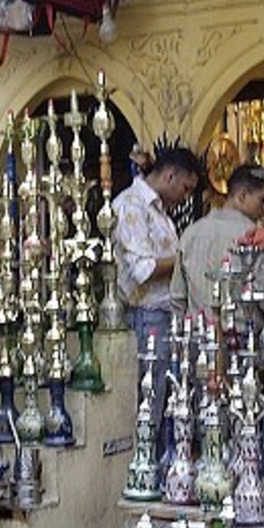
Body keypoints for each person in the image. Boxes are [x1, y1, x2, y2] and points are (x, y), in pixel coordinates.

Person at [111, 143, 202, 433]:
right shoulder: (131, 206)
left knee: (165, 403)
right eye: (186, 189)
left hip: (165, 316)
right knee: (149, 404)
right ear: (171, 176)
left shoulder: (159, 211)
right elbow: (143, 270)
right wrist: (186, 259)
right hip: (146, 316)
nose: (186, 197)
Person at [171, 164, 264, 318]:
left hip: (198, 333)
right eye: (262, 199)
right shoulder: (254, 237)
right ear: (242, 196)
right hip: (241, 333)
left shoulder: (191, 233)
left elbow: (178, 297)